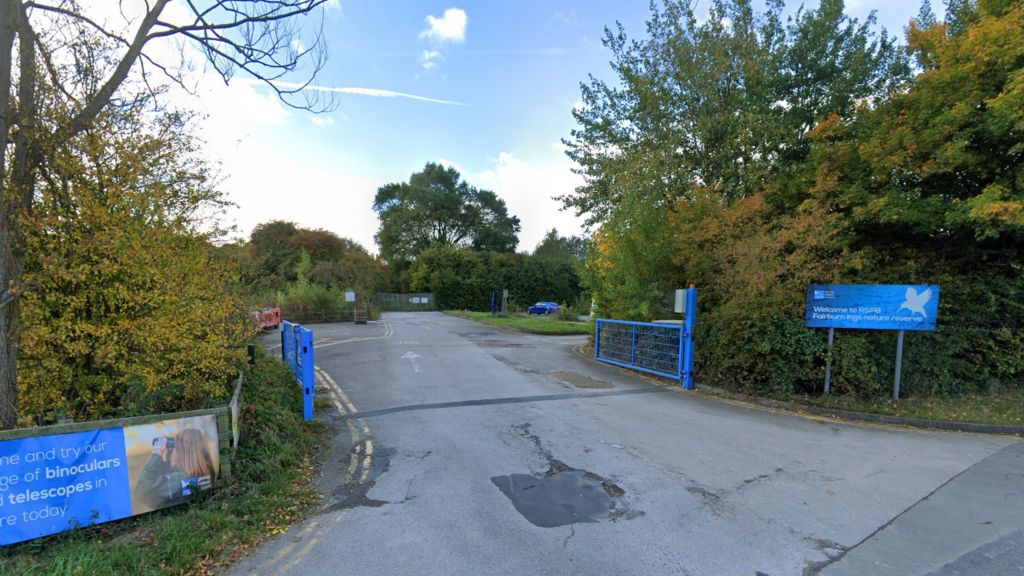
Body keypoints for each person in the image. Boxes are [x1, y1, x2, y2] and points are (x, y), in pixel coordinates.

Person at [134, 428, 216, 510]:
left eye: (177, 447)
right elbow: (171, 474)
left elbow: (141, 492)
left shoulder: (180, 479)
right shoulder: (206, 470)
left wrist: (157, 454)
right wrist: (168, 457)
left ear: (181, 452)